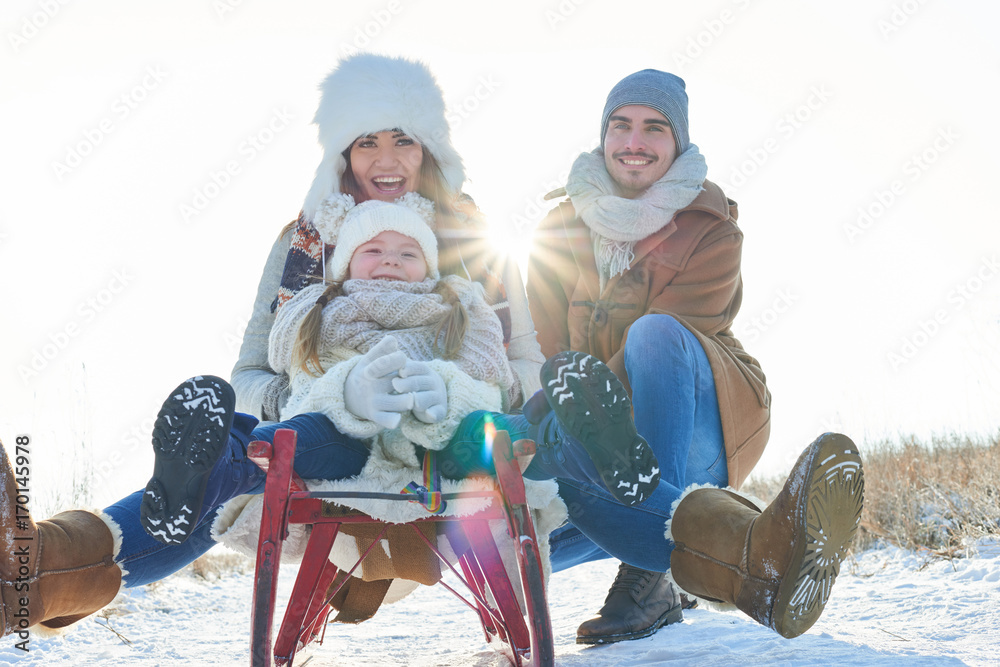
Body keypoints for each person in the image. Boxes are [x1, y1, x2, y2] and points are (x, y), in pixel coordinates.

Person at [516, 69, 865, 642]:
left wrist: (586, 422)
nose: (634, 142)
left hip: (701, 416)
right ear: (603, 136)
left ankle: (649, 575)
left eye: (655, 128)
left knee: (653, 334)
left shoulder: (710, 226)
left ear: (677, 142)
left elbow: (673, 342)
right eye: (621, 125)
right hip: (608, 440)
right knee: (519, 502)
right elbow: (550, 352)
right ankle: (749, 559)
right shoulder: (555, 230)